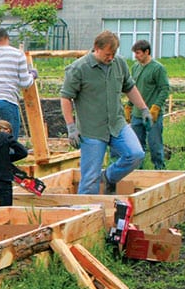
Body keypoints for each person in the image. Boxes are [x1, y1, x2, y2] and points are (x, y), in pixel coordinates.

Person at [61, 30, 147, 195]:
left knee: (135, 154)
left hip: (117, 124)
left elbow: (129, 87)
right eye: (108, 54)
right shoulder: (79, 68)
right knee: (90, 179)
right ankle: (83, 215)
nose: (110, 58)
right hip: (92, 130)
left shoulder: (119, 63)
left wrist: (143, 109)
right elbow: (66, 97)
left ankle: (108, 177)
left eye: (113, 54)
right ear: (96, 48)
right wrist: (71, 127)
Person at [125, 40, 170, 170]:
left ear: (147, 52)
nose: (136, 56)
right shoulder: (135, 68)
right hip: (137, 115)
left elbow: (164, 89)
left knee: (155, 146)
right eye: (135, 53)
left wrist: (156, 107)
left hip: (152, 115)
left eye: (138, 53)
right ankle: (139, 173)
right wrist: (129, 105)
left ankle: (160, 171)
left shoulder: (158, 68)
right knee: (137, 148)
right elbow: (132, 88)